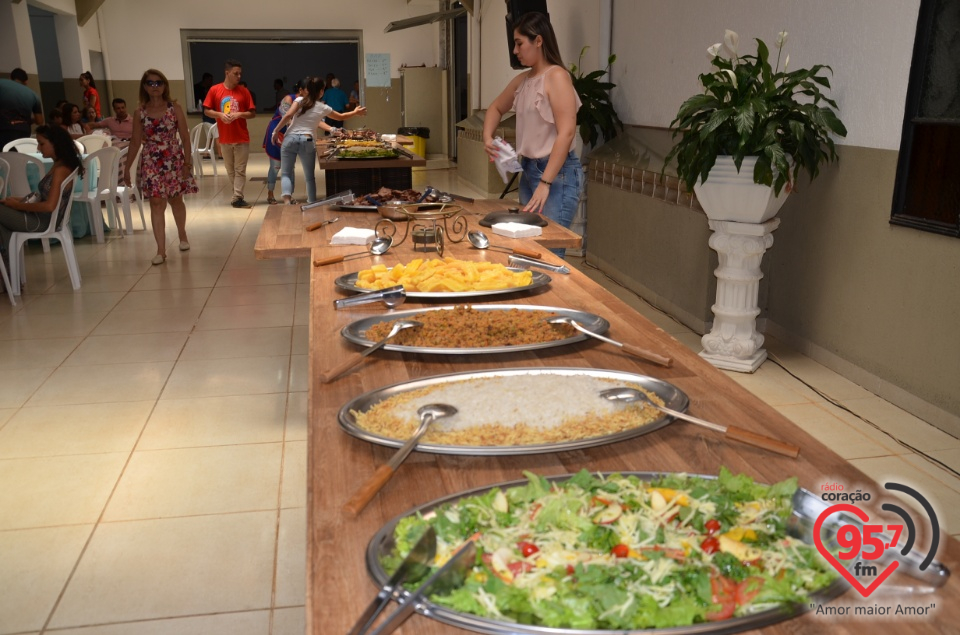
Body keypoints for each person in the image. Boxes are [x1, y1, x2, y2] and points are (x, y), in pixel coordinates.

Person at [483, 12, 583, 257]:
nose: (515, 50)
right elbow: (495, 107)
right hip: (529, 171)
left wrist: (546, 183)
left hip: (555, 174)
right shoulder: (523, 81)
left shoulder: (557, 77)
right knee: (530, 249)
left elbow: (566, 132)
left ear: (538, 41)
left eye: (519, 43)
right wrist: (487, 138)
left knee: (549, 250)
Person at [123, 69, 197, 266]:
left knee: (175, 199)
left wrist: (187, 163)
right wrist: (127, 168)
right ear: (144, 87)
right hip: (151, 160)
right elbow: (135, 141)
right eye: (150, 83)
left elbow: (185, 137)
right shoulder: (140, 112)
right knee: (156, 203)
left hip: (173, 159)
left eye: (158, 83)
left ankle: (182, 235)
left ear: (165, 85)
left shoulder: (175, 108)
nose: (154, 87)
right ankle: (161, 250)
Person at [0, 125, 84, 277]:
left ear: (55, 144)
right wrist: (19, 200)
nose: (38, 148)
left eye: (41, 143)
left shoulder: (60, 170)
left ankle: (9, 272)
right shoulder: (59, 164)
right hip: (45, 218)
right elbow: (45, 196)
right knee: (3, 221)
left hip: (45, 221)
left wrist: (17, 205)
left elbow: (50, 205)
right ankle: (9, 272)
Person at [271, 76, 367, 205]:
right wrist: (355, 112)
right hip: (307, 140)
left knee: (286, 174)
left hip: (290, 139)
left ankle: (287, 203)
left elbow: (288, 115)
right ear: (321, 92)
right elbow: (341, 117)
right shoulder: (322, 107)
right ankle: (311, 203)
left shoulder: (299, 100)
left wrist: (276, 131)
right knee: (309, 177)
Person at [203, 59, 256, 208]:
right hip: (225, 137)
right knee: (230, 169)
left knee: (240, 170)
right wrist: (219, 115)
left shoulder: (244, 91)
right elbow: (207, 110)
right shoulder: (215, 90)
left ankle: (237, 197)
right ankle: (236, 196)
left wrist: (239, 114)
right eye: (235, 73)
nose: (239, 76)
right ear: (227, 73)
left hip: (241, 136)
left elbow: (252, 113)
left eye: (240, 73)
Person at [262, 80, 303, 205]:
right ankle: (270, 193)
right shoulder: (288, 99)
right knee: (276, 165)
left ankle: (289, 195)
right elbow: (288, 118)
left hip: (291, 133)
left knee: (290, 167)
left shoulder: (307, 103)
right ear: (301, 90)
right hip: (277, 132)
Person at [0, 68, 44, 149]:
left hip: (3, 129)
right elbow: (40, 121)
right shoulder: (33, 95)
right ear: (26, 82)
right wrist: (23, 120)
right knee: (19, 157)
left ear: (10, 77)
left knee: (3, 158)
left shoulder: (1, 83)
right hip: (23, 131)